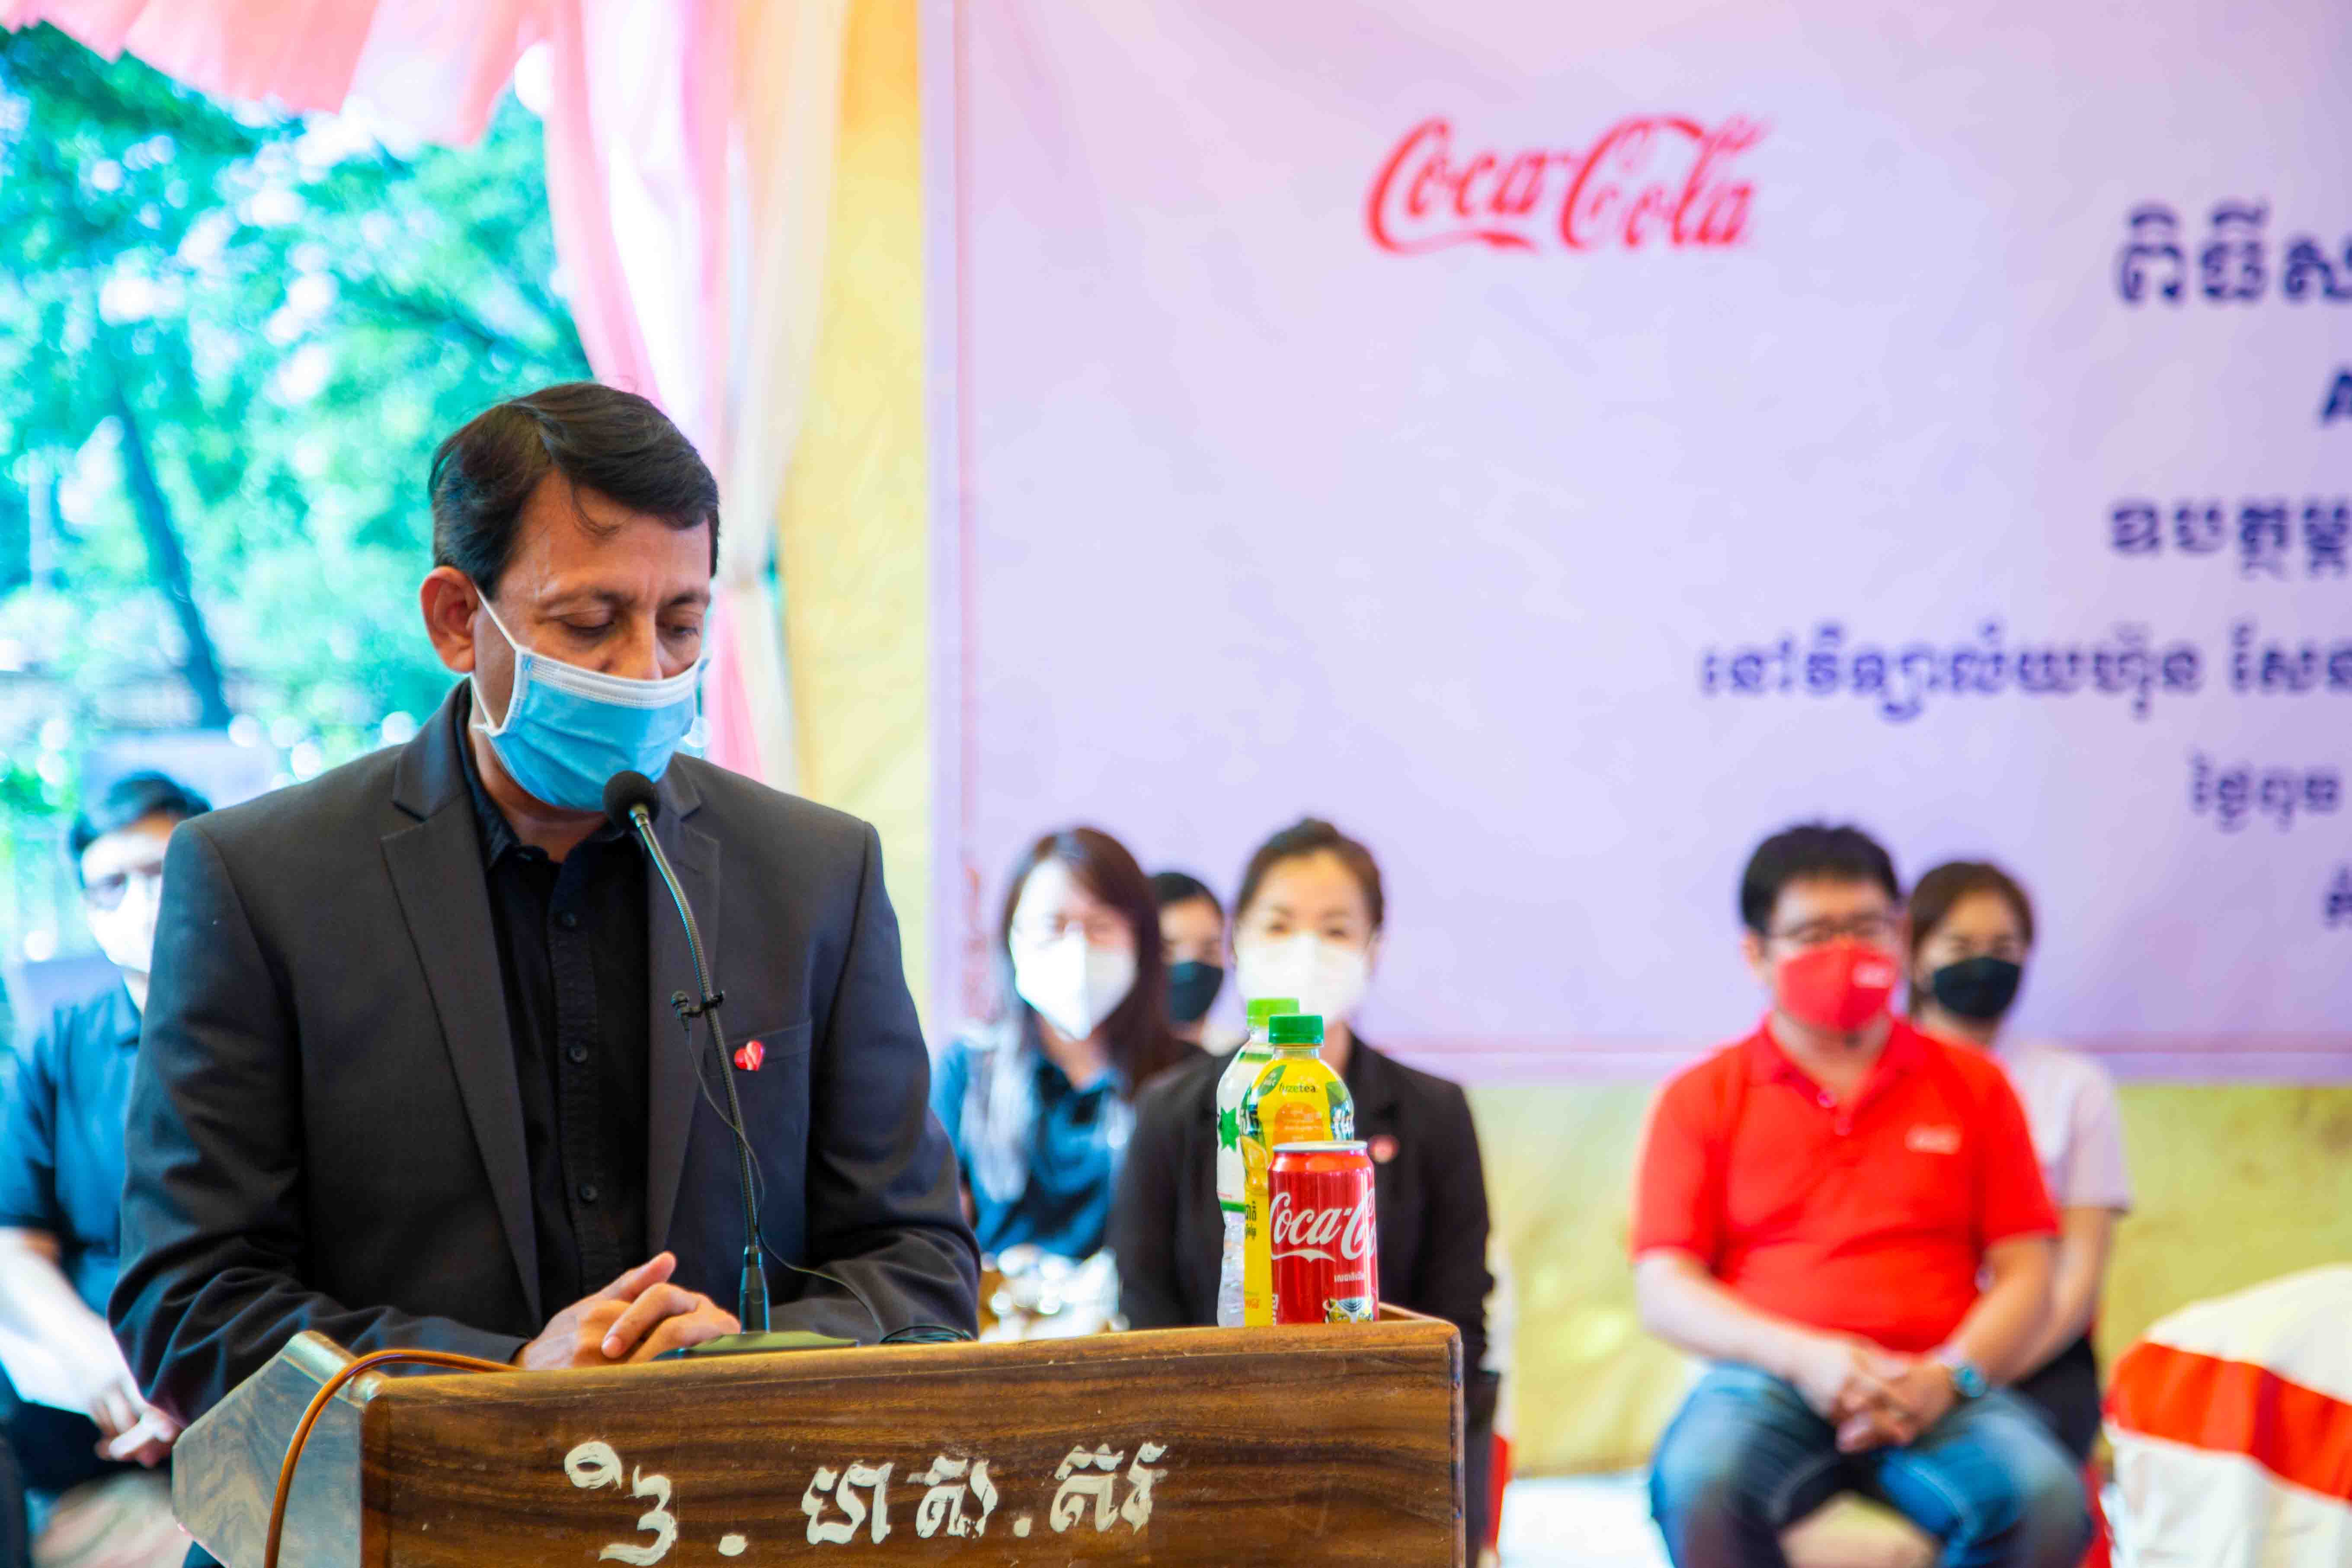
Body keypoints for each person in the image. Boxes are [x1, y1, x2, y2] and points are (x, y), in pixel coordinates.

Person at [111, 383, 979, 1443]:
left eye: (682, 623)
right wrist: (505, 1380)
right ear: (456, 619)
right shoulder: (261, 882)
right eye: (590, 623)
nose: (646, 672)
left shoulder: (813, 872)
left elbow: (920, 1264)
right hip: (409, 1507)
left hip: (738, 1496)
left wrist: (749, 1364)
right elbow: (188, 1303)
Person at [1634, 823, 2087, 1568]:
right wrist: (1805, 1358)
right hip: (1767, 1381)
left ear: (1900, 936)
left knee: (2045, 1500)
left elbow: (2026, 1272)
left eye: (1866, 928)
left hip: (1935, 1382)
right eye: (1813, 933)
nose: (1844, 953)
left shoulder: (1975, 1086)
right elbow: (1663, 1289)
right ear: (1755, 953)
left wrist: (1948, 1376)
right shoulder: (1700, 1096)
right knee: (1697, 1484)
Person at [1110, 817, 1499, 1551]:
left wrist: (1443, 1503)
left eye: (1335, 929)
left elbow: (1457, 1326)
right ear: (1237, 942)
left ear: (1373, 948)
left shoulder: (1433, 1112)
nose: (1305, 949)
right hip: (1208, 1453)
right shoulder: (1169, 1111)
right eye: (1279, 924)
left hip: (1386, 1453)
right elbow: (1147, 1314)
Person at [0, 773, 208, 1568]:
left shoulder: (283, 1030)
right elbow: (17, 1240)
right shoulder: (62, 1043)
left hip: (243, 1378)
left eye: (160, 872)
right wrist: (95, 1357)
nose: (140, 903)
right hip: (93, 1399)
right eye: (110, 885)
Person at [1908, 859, 2130, 1464]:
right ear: (1914, 955)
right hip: (1896, 1347)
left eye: (2002, 948)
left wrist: (1966, 1375)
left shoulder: (2074, 1085)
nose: (1983, 964)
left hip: (2034, 1353)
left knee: (2032, 1481)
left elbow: (2075, 1278)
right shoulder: (1870, 1079)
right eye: (1959, 946)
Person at [932, 829, 1194, 1261]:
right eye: (1052, 925)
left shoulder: (1186, 1078)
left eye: (1101, 926)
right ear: (1012, 936)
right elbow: (931, 1227)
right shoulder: (969, 1070)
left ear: (1141, 943)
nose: (1077, 948)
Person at [1150, 870, 1229, 1046]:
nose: (1191, 969)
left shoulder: (1239, 1058)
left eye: (1210, 951)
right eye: (1166, 951)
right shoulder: (1098, 1058)